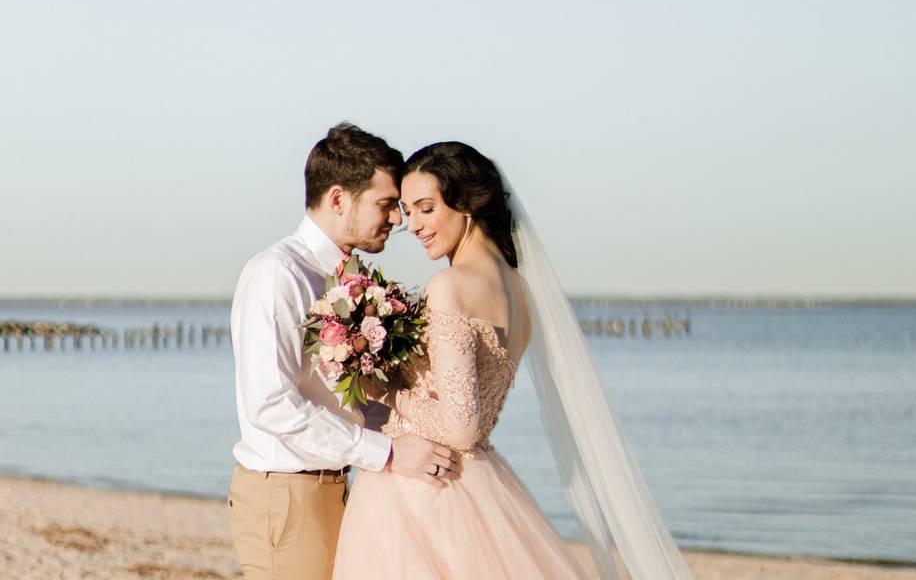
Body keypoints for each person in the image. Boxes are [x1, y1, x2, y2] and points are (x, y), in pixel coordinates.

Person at [333, 142, 694, 579]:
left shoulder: (449, 286)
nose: (415, 226)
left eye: (426, 209)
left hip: (424, 495)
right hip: (481, 486)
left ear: (465, 204)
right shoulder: (522, 291)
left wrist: (387, 391)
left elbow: (462, 427)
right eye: (409, 212)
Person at [227, 124, 460, 580]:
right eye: (386, 204)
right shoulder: (278, 275)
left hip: (333, 486)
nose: (398, 219)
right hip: (288, 495)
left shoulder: (343, 278)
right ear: (338, 199)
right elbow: (271, 405)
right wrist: (388, 454)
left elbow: (344, 397)